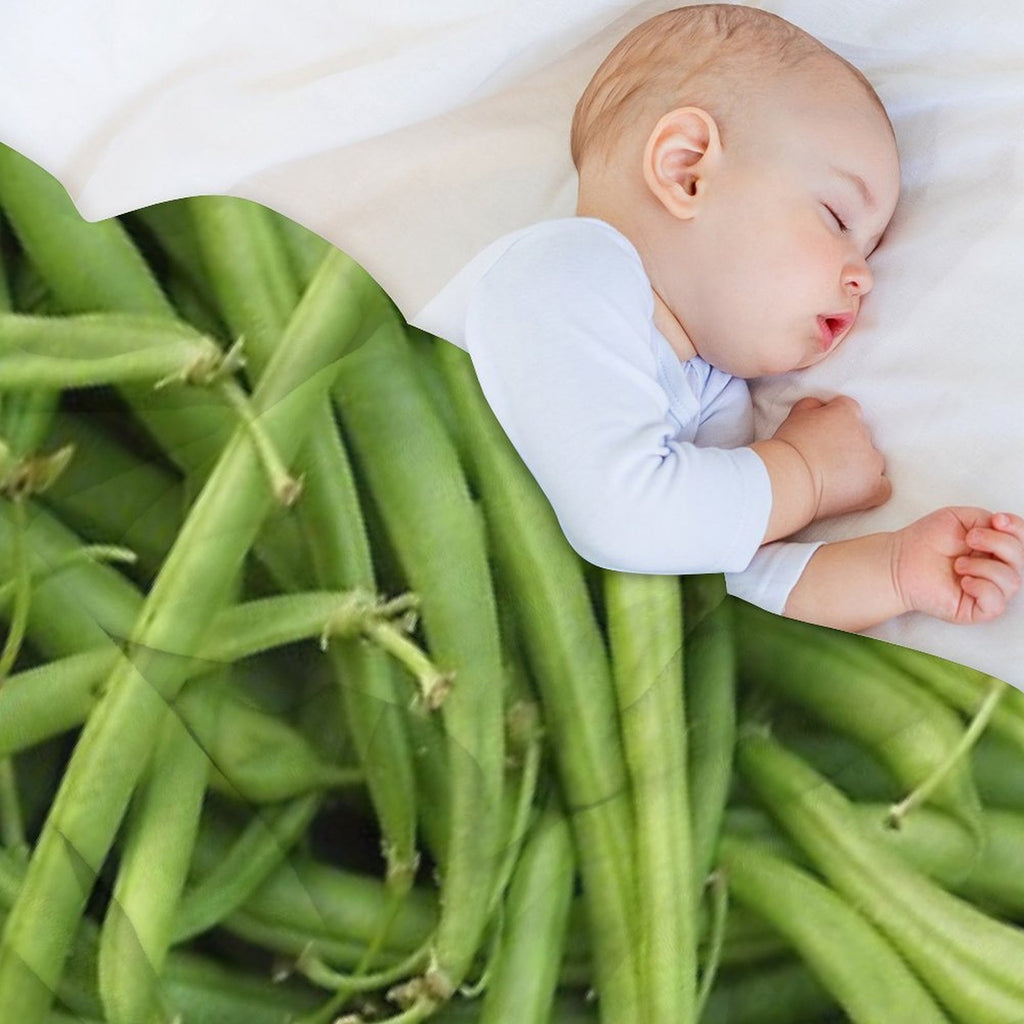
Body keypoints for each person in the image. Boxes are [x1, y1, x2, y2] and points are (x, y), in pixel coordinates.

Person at [414, 3, 1023, 632]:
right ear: (687, 171)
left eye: (867, 249)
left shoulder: (708, 388)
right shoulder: (563, 269)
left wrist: (896, 570)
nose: (863, 275)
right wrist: (804, 473)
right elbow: (625, 517)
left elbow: (723, 566)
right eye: (838, 219)